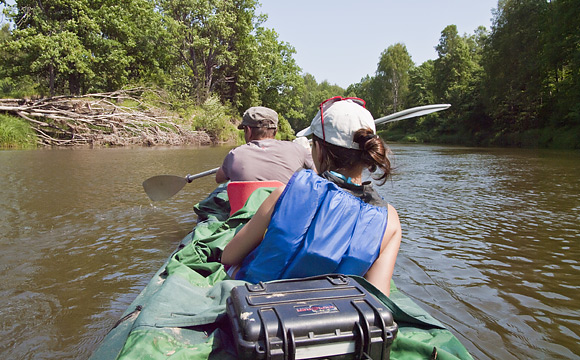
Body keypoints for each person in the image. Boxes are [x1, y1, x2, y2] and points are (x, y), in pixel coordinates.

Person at [221, 97, 402, 296]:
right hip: (329, 311)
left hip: (261, 303)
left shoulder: (286, 193)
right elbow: (378, 295)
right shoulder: (390, 220)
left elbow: (229, 256)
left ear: (318, 150)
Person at [215, 106, 315, 184]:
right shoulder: (299, 149)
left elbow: (219, 179)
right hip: (287, 209)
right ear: (275, 131)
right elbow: (317, 172)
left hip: (252, 210)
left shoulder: (234, 155)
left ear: (248, 131)